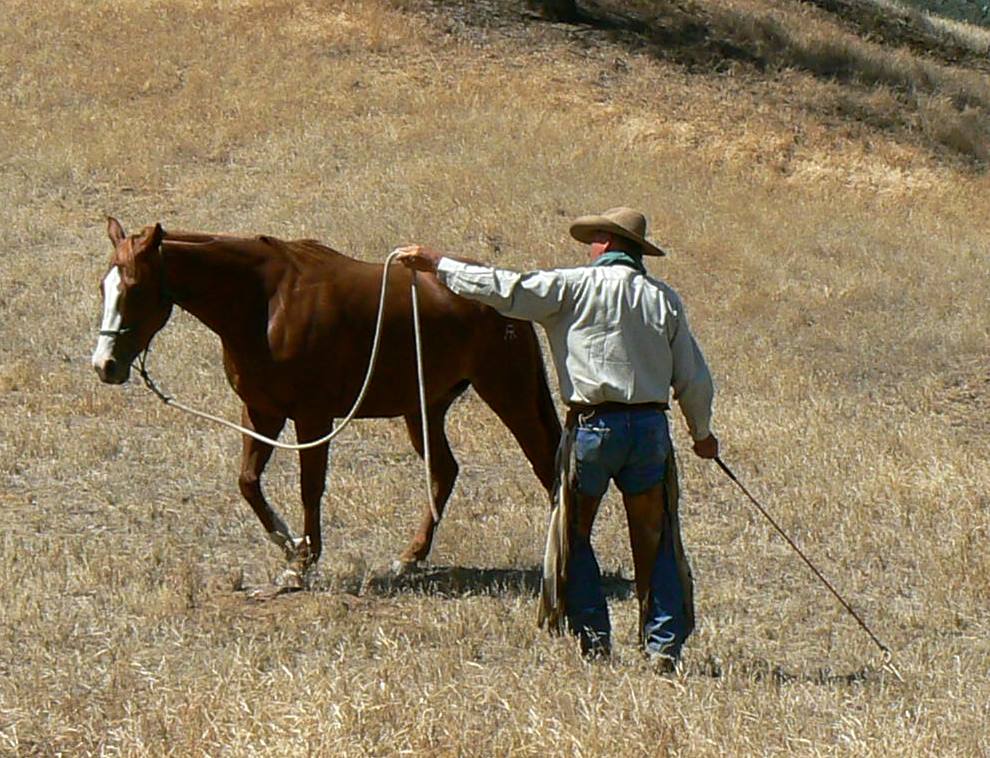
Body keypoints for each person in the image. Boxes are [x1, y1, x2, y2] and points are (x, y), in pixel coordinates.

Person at [394, 207, 717, 669]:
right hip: (649, 430)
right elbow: (693, 377)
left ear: (605, 242)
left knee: (576, 536)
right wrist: (702, 434)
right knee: (656, 537)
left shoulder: (571, 287)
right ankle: (662, 646)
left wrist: (438, 263)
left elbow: (505, 288)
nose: (589, 246)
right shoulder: (662, 298)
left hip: (591, 429)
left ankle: (594, 639)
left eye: (594, 238)